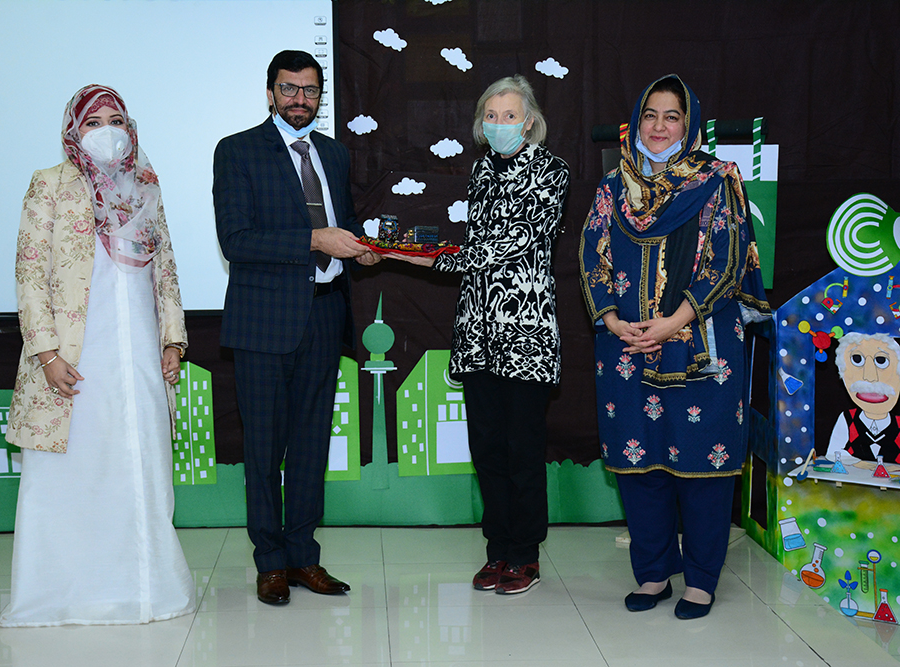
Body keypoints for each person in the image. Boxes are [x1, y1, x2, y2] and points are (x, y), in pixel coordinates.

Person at [0, 84, 195, 626]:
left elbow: (166, 268)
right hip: (74, 358)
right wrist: (46, 353)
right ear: (73, 131)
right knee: (73, 473)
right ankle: (64, 594)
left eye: (116, 120)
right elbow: (29, 272)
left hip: (139, 354)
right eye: (93, 122)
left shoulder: (145, 185)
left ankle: (146, 590)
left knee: (139, 465)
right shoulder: (50, 183)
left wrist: (172, 339)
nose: (106, 130)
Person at [579, 75, 770, 619]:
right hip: (625, 345)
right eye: (650, 115)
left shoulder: (717, 180)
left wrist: (672, 322)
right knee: (639, 461)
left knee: (704, 459)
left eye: (672, 117)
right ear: (636, 122)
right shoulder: (614, 187)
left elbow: (727, 260)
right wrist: (613, 321)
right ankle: (653, 573)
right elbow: (592, 256)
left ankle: (701, 580)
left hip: (703, 342)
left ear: (690, 125)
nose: (659, 127)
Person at [387, 75, 569, 594]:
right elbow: (479, 248)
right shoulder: (482, 169)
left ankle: (525, 554)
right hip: (477, 332)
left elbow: (512, 244)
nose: (499, 124)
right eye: (491, 115)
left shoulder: (551, 171)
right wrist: (418, 252)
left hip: (526, 332)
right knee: (486, 448)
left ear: (529, 122)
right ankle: (497, 551)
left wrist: (426, 258)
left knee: (522, 449)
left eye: (509, 115)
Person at [213, 50, 380, 605]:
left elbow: (342, 223)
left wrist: (361, 247)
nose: (299, 99)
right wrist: (314, 239)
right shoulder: (237, 151)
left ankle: (304, 556)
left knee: (311, 445)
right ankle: (270, 563)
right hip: (264, 322)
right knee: (264, 450)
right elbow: (236, 240)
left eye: (310, 90)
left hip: (326, 312)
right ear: (270, 93)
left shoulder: (333, 153)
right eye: (289, 89)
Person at [826, 332, 900, 463]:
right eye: (857, 359)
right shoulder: (847, 419)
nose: (870, 377)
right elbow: (832, 454)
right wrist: (859, 463)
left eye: (881, 361)